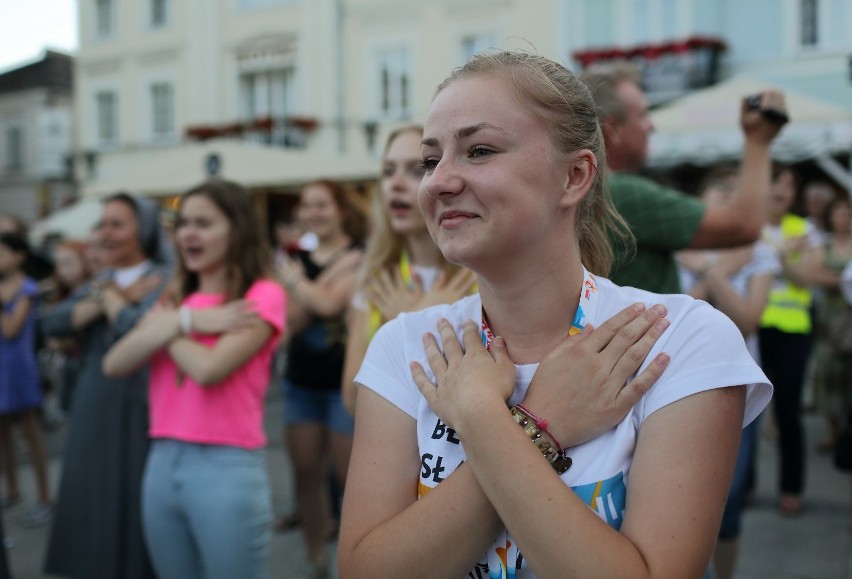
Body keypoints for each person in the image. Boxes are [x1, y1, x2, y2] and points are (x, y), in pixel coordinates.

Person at [338, 51, 772, 579]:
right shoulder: (408, 345)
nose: (437, 182)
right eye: (432, 160)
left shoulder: (678, 339)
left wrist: (486, 418)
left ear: (573, 176)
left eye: (478, 150)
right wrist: (538, 425)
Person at [102, 179, 285, 579]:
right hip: (162, 464)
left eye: (203, 223)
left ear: (236, 230)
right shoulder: (176, 298)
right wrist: (185, 319)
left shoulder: (262, 294)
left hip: (226, 467)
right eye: (183, 222)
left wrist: (165, 326)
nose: (188, 233)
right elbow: (114, 363)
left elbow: (208, 369)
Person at [42, 193, 171, 579]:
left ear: (142, 229)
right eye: (103, 224)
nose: (106, 233)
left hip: (144, 398)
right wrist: (108, 299)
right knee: (92, 490)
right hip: (95, 398)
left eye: (117, 224)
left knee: (136, 493)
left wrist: (110, 301)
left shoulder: (164, 277)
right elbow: (51, 324)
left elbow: (138, 327)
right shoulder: (104, 280)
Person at [580, 61, 788, 293]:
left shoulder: (578, 189)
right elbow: (744, 224)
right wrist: (758, 140)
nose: (651, 126)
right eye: (643, 115)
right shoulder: (624, 193)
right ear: (612, 131)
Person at [676, 168, 778, 579]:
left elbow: (748, 320)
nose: (730, 201)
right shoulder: (676, 246)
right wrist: (716, 271)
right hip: (679, 384)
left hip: (736, 386)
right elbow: (671, 315)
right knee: (681, 499)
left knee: (729, 498)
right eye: (721, 192)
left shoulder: (761, 253)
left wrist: (711, 271)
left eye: (738, 195)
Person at [341, 124, 476, 415]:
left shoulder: (480, 274)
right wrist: (413, 320)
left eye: (417, 170)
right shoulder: (376, 276)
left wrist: (407, 322)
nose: (396, 184)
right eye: (388, 171)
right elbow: (352, 398)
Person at [276, 179, 365, 578]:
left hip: (342, 386)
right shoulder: (298, 259)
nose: (313, 212)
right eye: (307, 206)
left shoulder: (360, 256)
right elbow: (292, 322)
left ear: (340, 210)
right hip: (300, 382)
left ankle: (354, 557)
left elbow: (329, 304)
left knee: (352, 481)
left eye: (322, 204)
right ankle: (315, 559)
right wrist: (321, 284)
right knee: (305, 472)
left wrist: (299, 283)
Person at [757, 165, 821, 516]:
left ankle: (791, 488)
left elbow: (808, 277)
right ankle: (743, 486)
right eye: (776, 180)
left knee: (789, 411)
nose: (781, 189)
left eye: (789, 184)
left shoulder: (803, 229)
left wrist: (778, 256)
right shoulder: (750, 225)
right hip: (751, 327)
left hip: (793, 329)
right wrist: (783, 255)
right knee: (744, 411)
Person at [0, 233, 53, 526]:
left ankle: (45, 497)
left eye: (3, 253)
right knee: (2, 435)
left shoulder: (28, 290)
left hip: (19, 369)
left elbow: (10, 330)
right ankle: (11, 489)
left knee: (31, 435)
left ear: (19, 256)